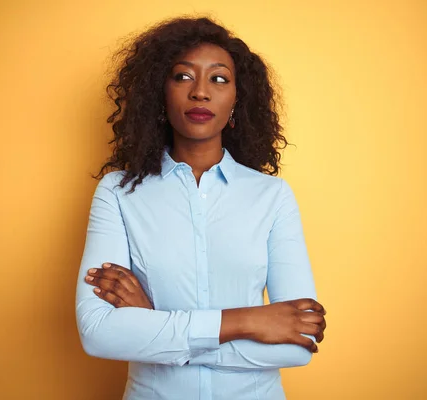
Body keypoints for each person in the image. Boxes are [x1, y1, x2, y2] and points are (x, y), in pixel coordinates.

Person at [75, 16, 327, 400]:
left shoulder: (272, 196)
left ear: (237, 99)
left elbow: (300, 339)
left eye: (219, 79)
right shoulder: (117, 193)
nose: (201, 93)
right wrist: (246, 321)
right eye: (182, 77)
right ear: (159, 92)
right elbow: (99, 334)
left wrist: (153, 328)